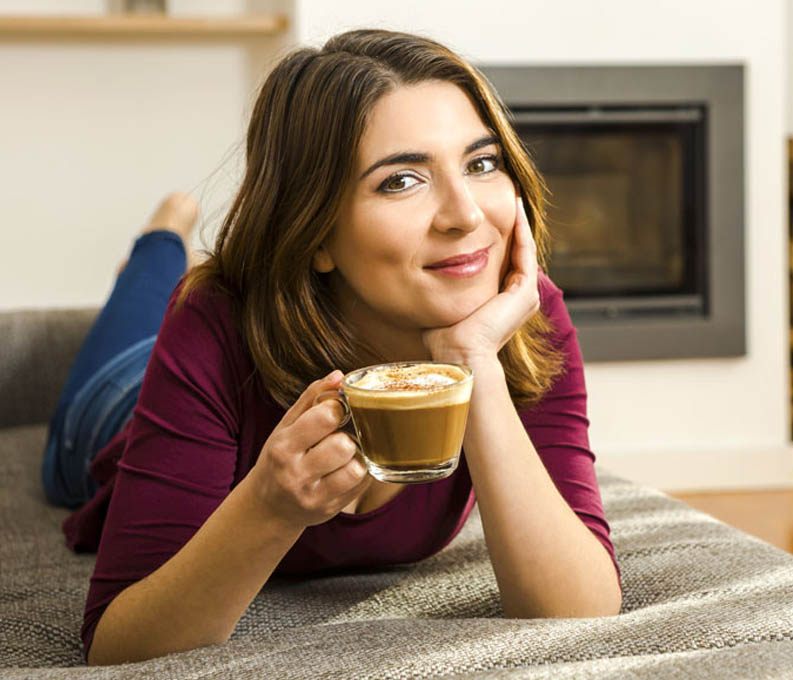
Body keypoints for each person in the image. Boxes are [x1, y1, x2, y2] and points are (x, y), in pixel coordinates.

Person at [44, 28, 622, 666]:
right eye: (401, 180)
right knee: (140, 317)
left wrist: (473, 360)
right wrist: (268, 507)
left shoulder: (521, 316)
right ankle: (163, 234)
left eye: (482, 163)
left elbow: (578, 608)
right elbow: (118, 645)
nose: (465, 215)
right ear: (315, 231)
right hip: (114, 413)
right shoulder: (215, 323)